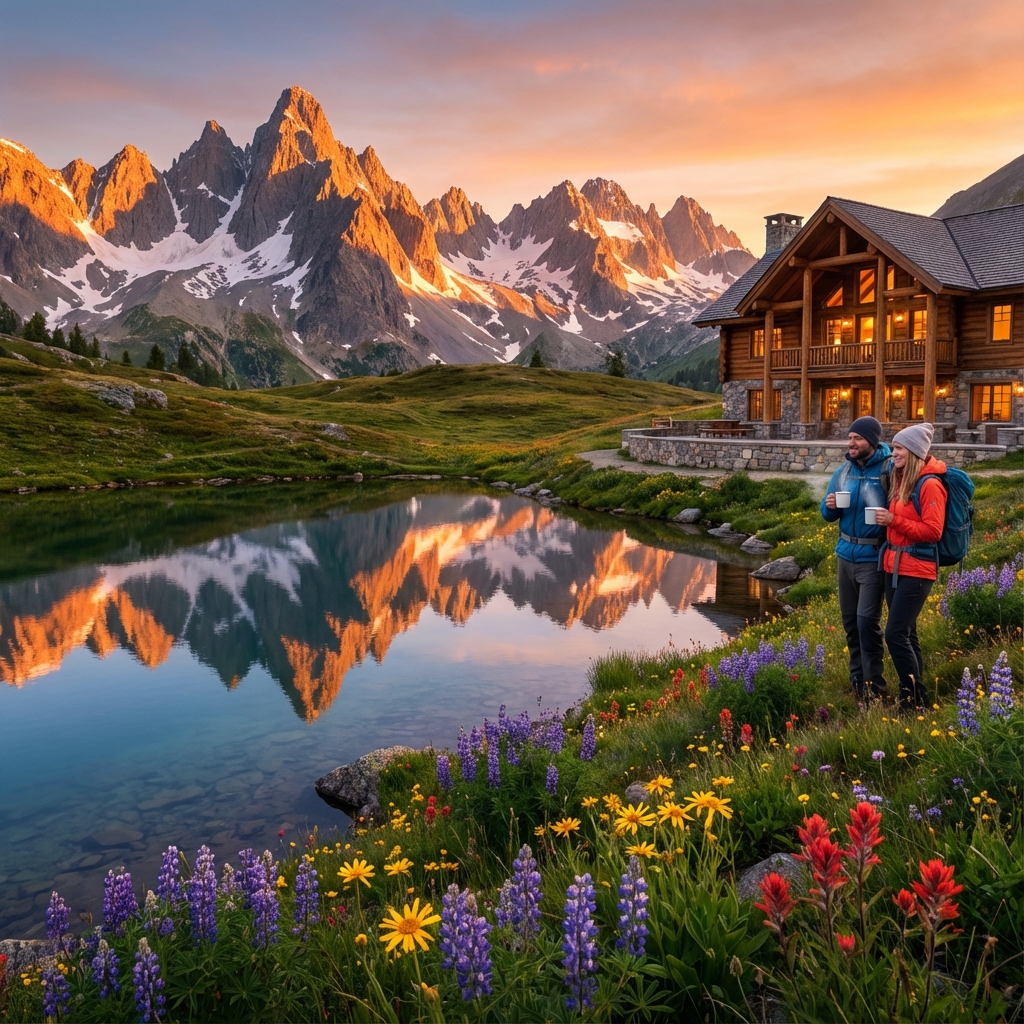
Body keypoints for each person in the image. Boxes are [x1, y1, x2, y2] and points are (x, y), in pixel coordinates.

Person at [874, 423, 947, 709]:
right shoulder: (902, 479)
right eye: (893, 448)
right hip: (895, 567)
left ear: (915, 451)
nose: (893, 453)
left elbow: (933, 532)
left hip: (917, 570)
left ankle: (914, 698)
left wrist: (894, 521)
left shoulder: (930, 485)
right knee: (907, 633)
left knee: (894, 634)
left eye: (899, 448)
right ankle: (915, 697)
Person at [820, 416, 892, 702]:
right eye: (849, 438)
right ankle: (858, 683)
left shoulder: (888, 471)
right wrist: (830, 507)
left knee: (866, 623)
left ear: (872, 442)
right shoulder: (843, 473)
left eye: (857, 438)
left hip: (873, 558)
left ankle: (876, 687)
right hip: (845, 555)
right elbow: (827, 515)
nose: (851, 443)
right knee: (850, 622)